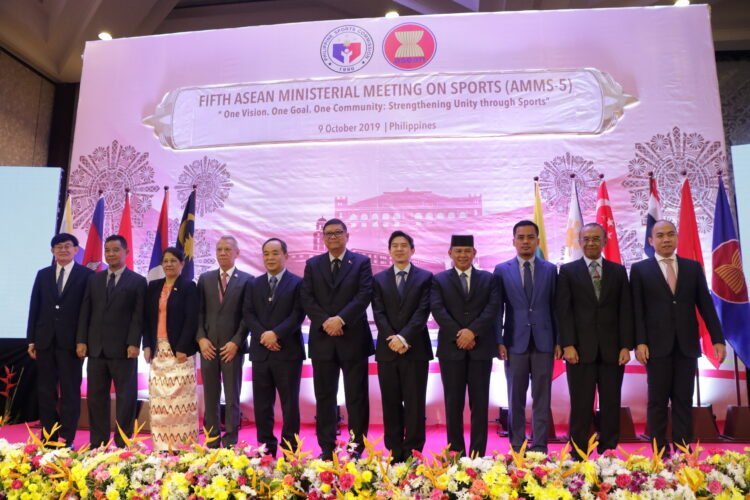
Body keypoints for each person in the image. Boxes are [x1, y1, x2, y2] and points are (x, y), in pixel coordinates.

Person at [631, 219, 726, 453]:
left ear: (676, 238)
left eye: (670, 234)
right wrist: (639, 342)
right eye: (660, 235)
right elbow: (637, 310)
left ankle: (683, 451)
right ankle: (659, 451)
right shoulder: (640, 270)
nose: (666, 239)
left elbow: (706, 305)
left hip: (686, 346)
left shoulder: (692, 268)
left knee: (684, 400)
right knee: (657, 402)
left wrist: (717, 339)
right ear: (651, 241)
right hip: (655, 346)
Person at [556, 223, 633, 458]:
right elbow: (563, 310)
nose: (591, 242)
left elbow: (625, 310)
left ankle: (608, 450)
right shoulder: (568, 272)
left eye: (595, 238)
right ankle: (578, 452)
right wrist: (567, 344)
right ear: (580, 242)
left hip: (612, 350)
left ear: (604, 241)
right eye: (586, 239)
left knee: (611, 403)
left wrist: (625, 346)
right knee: (581, 404)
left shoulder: (618, 271)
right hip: (579, 351)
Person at [300, 218, 374, 460]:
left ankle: (356, 448)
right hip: (323, 339)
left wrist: (340, 320)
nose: (333, 237)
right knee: (324, 396)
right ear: (323, 238)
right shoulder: (313, 264)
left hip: (352, 338)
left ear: (347, 235)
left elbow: (364, 295)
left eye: (338, 233)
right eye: (328, 234)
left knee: (357, 397)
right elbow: (308, 298)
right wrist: (326, 322)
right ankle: (327, 447)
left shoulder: (361, 262)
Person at [495, 220, 561, 454]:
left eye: (530, 237)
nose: (525, 241)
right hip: (515, 342)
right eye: (520, 237)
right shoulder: (502, 270)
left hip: (544, 342)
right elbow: (498, 308)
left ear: (537, 240)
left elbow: (556, 308)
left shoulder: (550, 270)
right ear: (513, 241)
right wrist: (499, 340)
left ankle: (540, 446)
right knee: (516, 397)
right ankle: (517, 445)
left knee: (542, 397)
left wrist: (558, 341)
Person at [431, 234, 499, 457]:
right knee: (453, 404)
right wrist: (459, 333)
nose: (462, 255)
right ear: (450, 254)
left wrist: (472, 332)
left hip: (480, 349)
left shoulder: (488, 279)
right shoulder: (439, 280)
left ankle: (478, 455)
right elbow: (438, 310)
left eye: (466, 251)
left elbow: (493, 308)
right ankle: (456, 454)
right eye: (458, 251)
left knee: (480, 405)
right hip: (452, 350)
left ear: (474, 254)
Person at [77, 234, 146, 448]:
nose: (111, 254)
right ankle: (98, 442)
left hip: (124, 350)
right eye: (108, 250)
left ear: (126, 252)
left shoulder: (137, 281)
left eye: (116, 250)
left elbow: (138, 316)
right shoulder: (94, 279)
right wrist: (81, 340)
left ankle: (123, 441)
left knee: (126, 398)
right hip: (96, 349)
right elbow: (85, 312)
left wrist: (134, 343)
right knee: (97, 398)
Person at [27, 233, 93, 446]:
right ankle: (49, 437)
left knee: (70, 392)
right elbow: (34, 307)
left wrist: (83, 340)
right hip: (45, 341)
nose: (63, 250)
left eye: (67, 246)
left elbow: (87, 311)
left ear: (76, 249)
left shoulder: (86, 275)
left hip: (72, 344)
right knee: (46, 392)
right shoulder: (43, 274)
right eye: (58, 247)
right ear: (52, 251)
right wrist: (31, 340)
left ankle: (67, 438)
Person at [372, 231, 433, 462]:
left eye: (404, 245)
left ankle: (414, 452)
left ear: (412, 250)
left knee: (415, 404)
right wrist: (392, 338)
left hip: (415, 349)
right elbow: (378, 312)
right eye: (395, 246)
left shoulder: (426, 277)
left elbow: (422, 312)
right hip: (388, 351)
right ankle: (395, 452)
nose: (399, 249)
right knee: (391, 402)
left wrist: (404, 338)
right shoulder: (378, 279)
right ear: (389, 251)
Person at [244, 238, 305, 457]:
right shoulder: (253, 284)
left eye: (275, 253)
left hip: (288, 353)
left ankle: (290, 448)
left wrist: (275, 334)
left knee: (290, 405)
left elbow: (298, 314)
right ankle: (266, 447)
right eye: (266, 253)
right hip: (261, 353)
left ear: (285, 256)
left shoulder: (298, 283)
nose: (270, 257)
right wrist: (263, 335)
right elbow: (248, 313)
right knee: (262, 404)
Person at [196, 235, 252, 448]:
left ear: (237, 253)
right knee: (210, 396)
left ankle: (230, 441)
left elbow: (248, 316)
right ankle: (211, 440)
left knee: (231, 398)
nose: (222, 253)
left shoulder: (247, 280)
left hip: (232, 348)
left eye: (227, 249)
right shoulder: (205, 279)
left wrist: (236, 342)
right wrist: (201, 338)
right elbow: (198, 313)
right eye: (219, 249)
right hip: (208, 348)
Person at [143, 247, 199, 450]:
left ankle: (183, 446)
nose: (169, 264)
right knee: (160, 402)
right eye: (165, 261)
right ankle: (161, 445)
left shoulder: (188, 286)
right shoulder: (154, 286)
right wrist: (147, 345)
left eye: (173, 261)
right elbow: (146, 319)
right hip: (158, 351)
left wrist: (183, 347)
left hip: (179, 352)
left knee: (180, 403)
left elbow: (192, 320)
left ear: (182, 264)